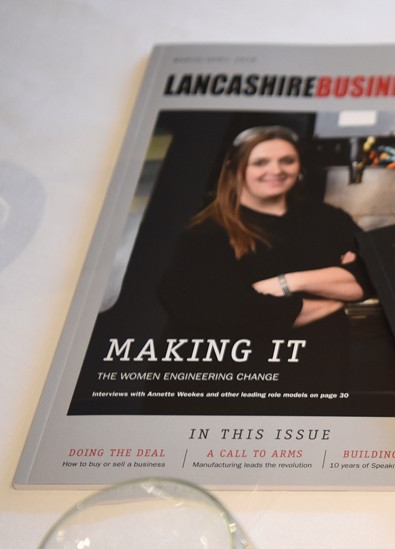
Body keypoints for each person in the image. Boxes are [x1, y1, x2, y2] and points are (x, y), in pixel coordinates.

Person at [158, 125, 372, 397]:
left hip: (319, 376)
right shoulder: (206, 234)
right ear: (236, 169)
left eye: (287, 160)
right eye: (260, 162)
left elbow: (373, 275)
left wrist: (289, 282)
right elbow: (243, 314)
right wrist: (338, 293)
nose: (276, 170)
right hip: (238, 387)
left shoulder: (327, 218)